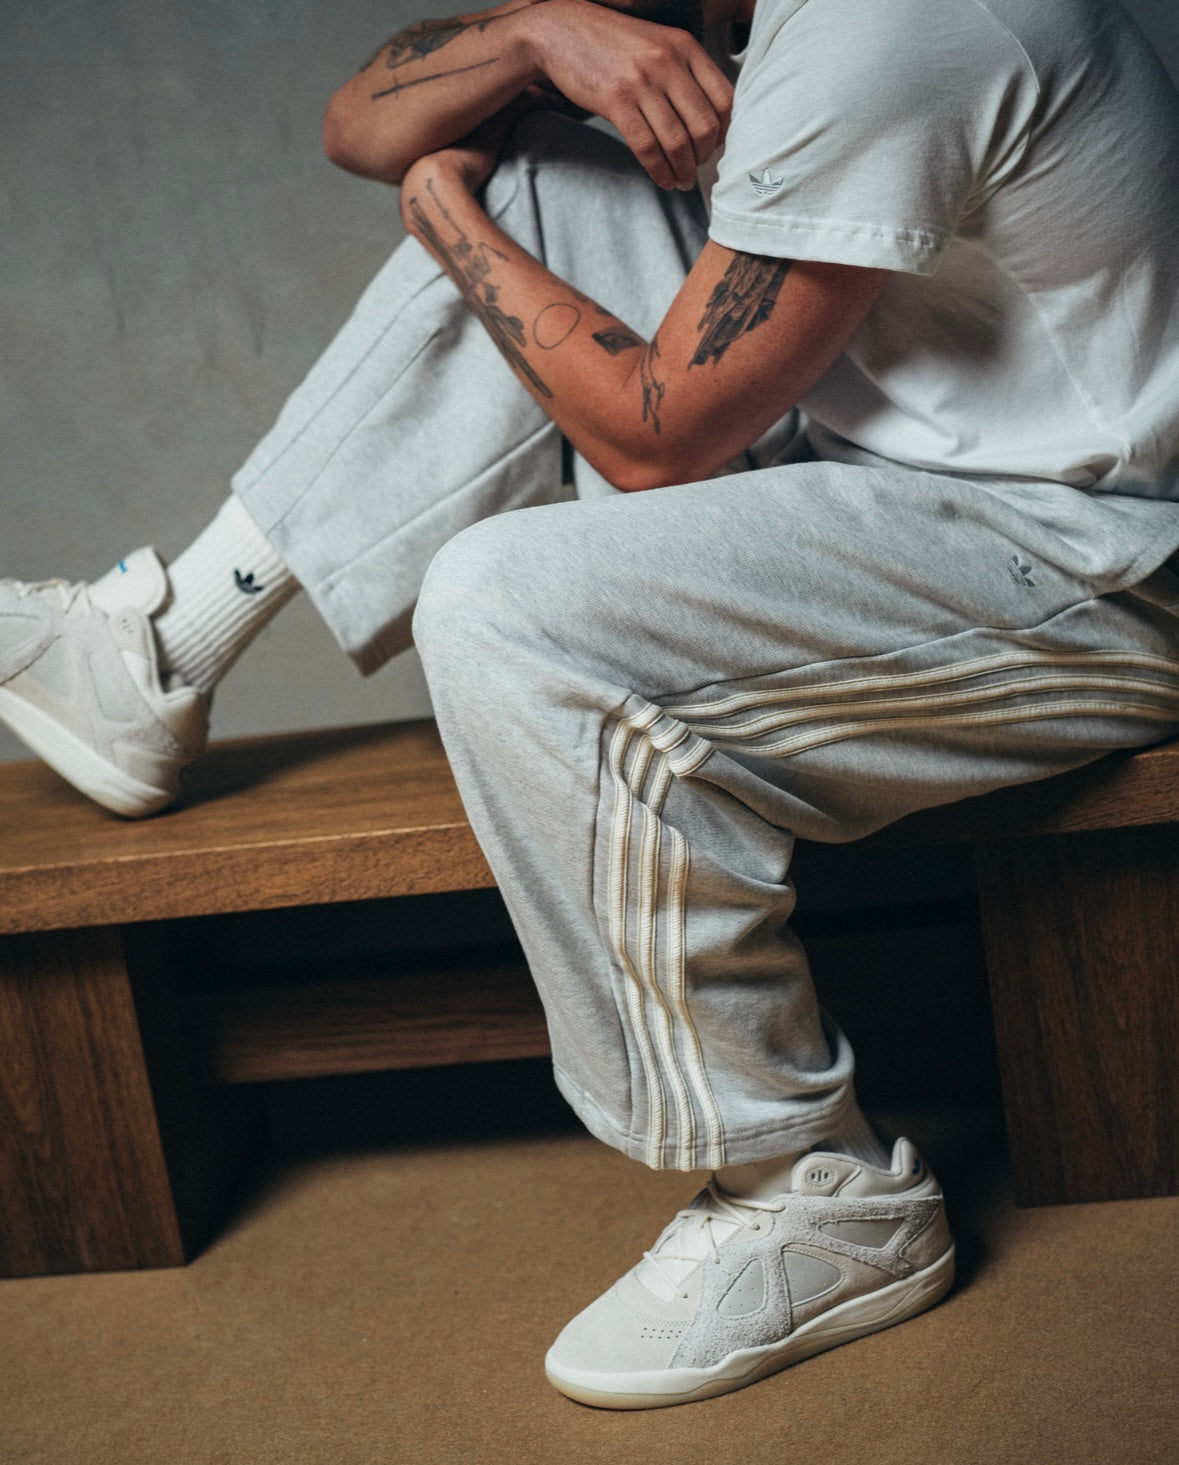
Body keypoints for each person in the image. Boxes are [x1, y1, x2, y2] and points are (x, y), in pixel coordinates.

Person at [3, 0, 1178, 1409]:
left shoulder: (886, 24)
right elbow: (359, 123)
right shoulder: (759, 18)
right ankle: (160, 648)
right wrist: (538, 39)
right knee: (554, 176)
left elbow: (655, 439)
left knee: (510, 603)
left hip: (1101, 564)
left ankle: (811, 1182)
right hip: (894, 479)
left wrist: (443, 212)